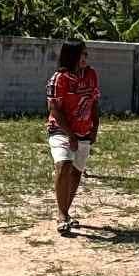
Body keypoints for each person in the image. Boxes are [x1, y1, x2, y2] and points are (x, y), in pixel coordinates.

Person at [45, 39, 100, 235]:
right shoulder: (59, 78)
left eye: (86, 54)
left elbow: (94, 103)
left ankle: (65, 212)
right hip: (60, 129)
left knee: (76, 172)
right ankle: (61, 215)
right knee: (64, 165)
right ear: (72, 55)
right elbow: (55, 110)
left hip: (84, 130)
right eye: (82, 54)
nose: (85, 58)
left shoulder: (91, 75)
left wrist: (95, 128)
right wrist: (71, 136)